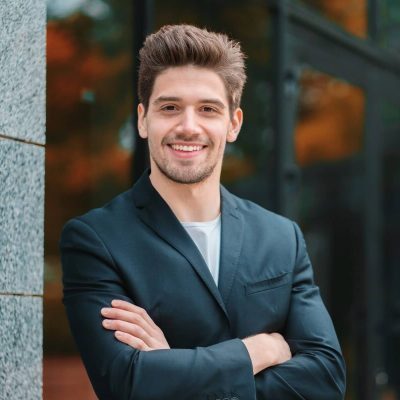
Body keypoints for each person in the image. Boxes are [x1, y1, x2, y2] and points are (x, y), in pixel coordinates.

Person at [60, 24, 346, 400]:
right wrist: (257, 351)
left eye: (208, 109)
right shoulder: (96, 239)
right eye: (170, 107)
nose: (188, 126)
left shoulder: (281, 238)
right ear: (144, 120)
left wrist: (171, 368)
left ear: (233, 123)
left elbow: (326, 380)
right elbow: (126, 384)